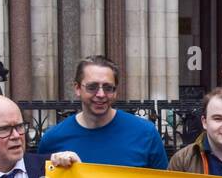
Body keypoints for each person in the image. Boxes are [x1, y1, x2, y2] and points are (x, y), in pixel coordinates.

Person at [37, 55, 167, 169]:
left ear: (115, 91)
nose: (101, 94)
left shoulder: (146, 134)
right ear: (77, 88)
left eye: (108, 88)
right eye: (92, 87)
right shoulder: (52, 139)